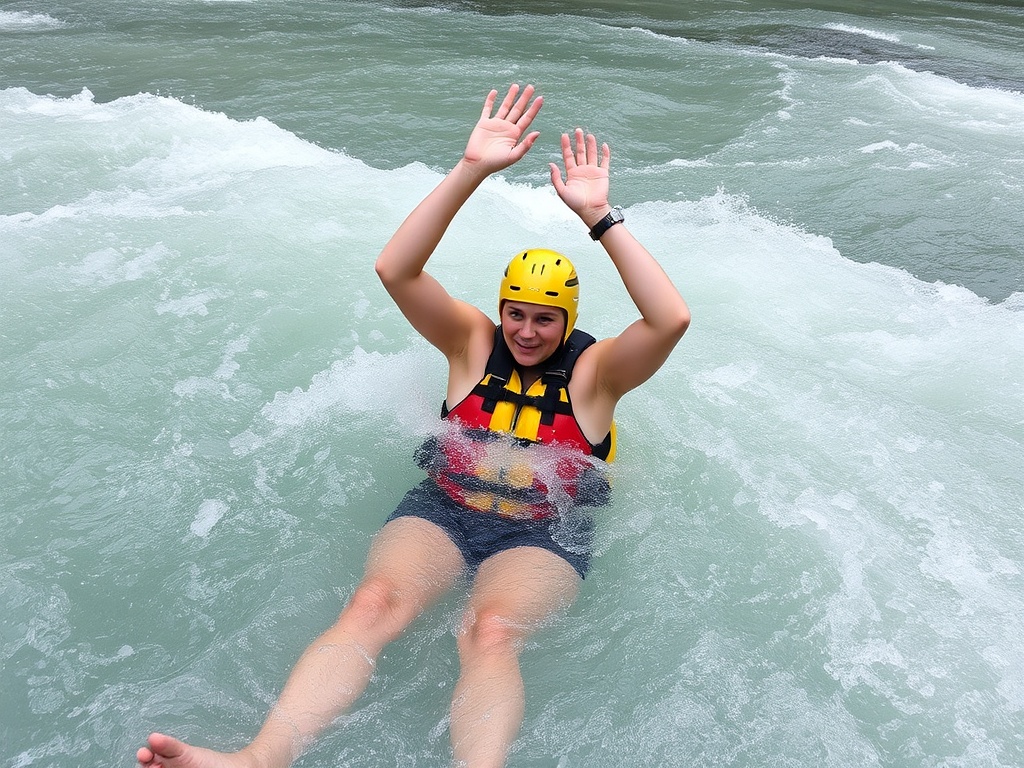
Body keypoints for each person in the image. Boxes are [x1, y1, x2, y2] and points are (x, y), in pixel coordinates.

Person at [137, 83, 689, 768]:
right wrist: (471, 170)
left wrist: (601, 218)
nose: (526, 331)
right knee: (373, 603)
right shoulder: (470, 343)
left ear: (567, 320)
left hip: (541, 532)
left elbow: (671, 319)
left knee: (488, 632)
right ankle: (258, 760)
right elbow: (394, 269)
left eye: (544, 319)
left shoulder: (597, 374)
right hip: (444, 510)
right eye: (516, 313)